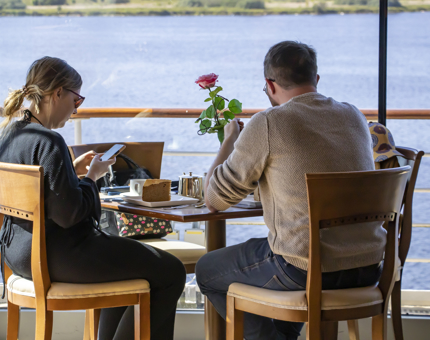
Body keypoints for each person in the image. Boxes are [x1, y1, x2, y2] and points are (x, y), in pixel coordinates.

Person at [196, 41, 385, 340]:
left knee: (207, 270)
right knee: (272, 259)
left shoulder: (270, 122)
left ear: (269, 85)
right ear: (316, 79)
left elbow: (214, 199)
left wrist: (229, 139)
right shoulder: (353, 116)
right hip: (370, 265)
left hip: (306, 270)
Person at [0, 57, 186, 340]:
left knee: (129, 267)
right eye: (76, 99)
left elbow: (40, 195)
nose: (77, 108)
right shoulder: (49, 142)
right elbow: (69, 214)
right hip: (61, 254)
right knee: (171, 271)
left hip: (19, 255)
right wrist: (92, 178)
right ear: (57, 93)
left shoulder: (9, 135)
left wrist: (70, 173)